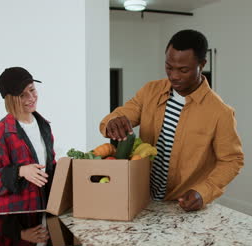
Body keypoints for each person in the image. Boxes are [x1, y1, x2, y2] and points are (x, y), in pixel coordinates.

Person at [100, 30, 244, 212]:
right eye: (169, 67)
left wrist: (203, 192)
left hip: (182, 206)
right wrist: (113, 122)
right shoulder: (150, 91)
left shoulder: (220, 113)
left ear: (202, 64)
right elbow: (120, 115)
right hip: (144, 198)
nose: (174, 76)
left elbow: (232, 160)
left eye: (183, 70)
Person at [0, 67, 56, 214]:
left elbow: (48, 167)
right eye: (22, 95)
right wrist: (20, 171)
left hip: (43, 211)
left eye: (32, 90)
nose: (31, 98)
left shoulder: (44, 126)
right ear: (10, 100)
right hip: (16, 220)